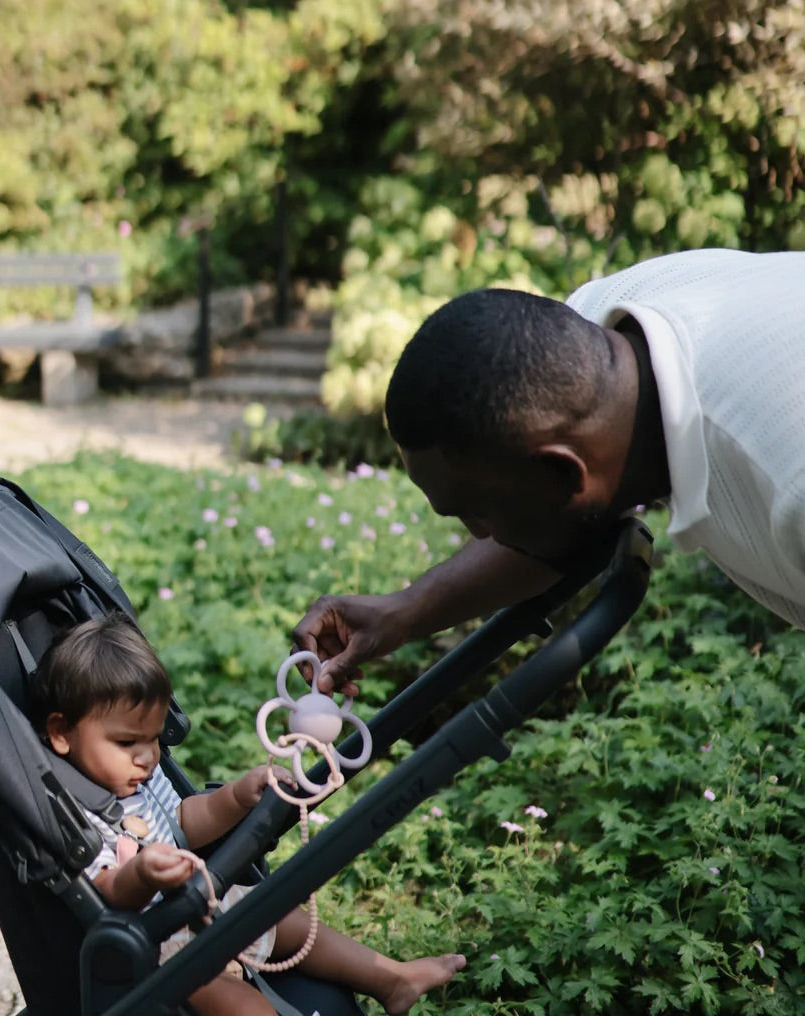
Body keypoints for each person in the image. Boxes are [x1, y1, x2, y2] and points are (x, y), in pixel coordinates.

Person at [32, 611, 467, 1016]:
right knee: (235, 1005)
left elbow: (187, 819)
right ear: (62, 732)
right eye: (126, 742)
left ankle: (389, 977)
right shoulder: (74, 808)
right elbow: (107, 891)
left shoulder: (140, 772)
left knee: (279, 911)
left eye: (151, 739)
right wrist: (142, 874)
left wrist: (238, 796)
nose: (145, 756)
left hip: (196, 913)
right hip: (152, 956)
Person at [293, 248, 805, 695]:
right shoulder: (591, 333)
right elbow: (559, 523)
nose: (477, 534)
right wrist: (406, 611)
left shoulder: (789, 476)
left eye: (479, 512)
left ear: (564, 472)